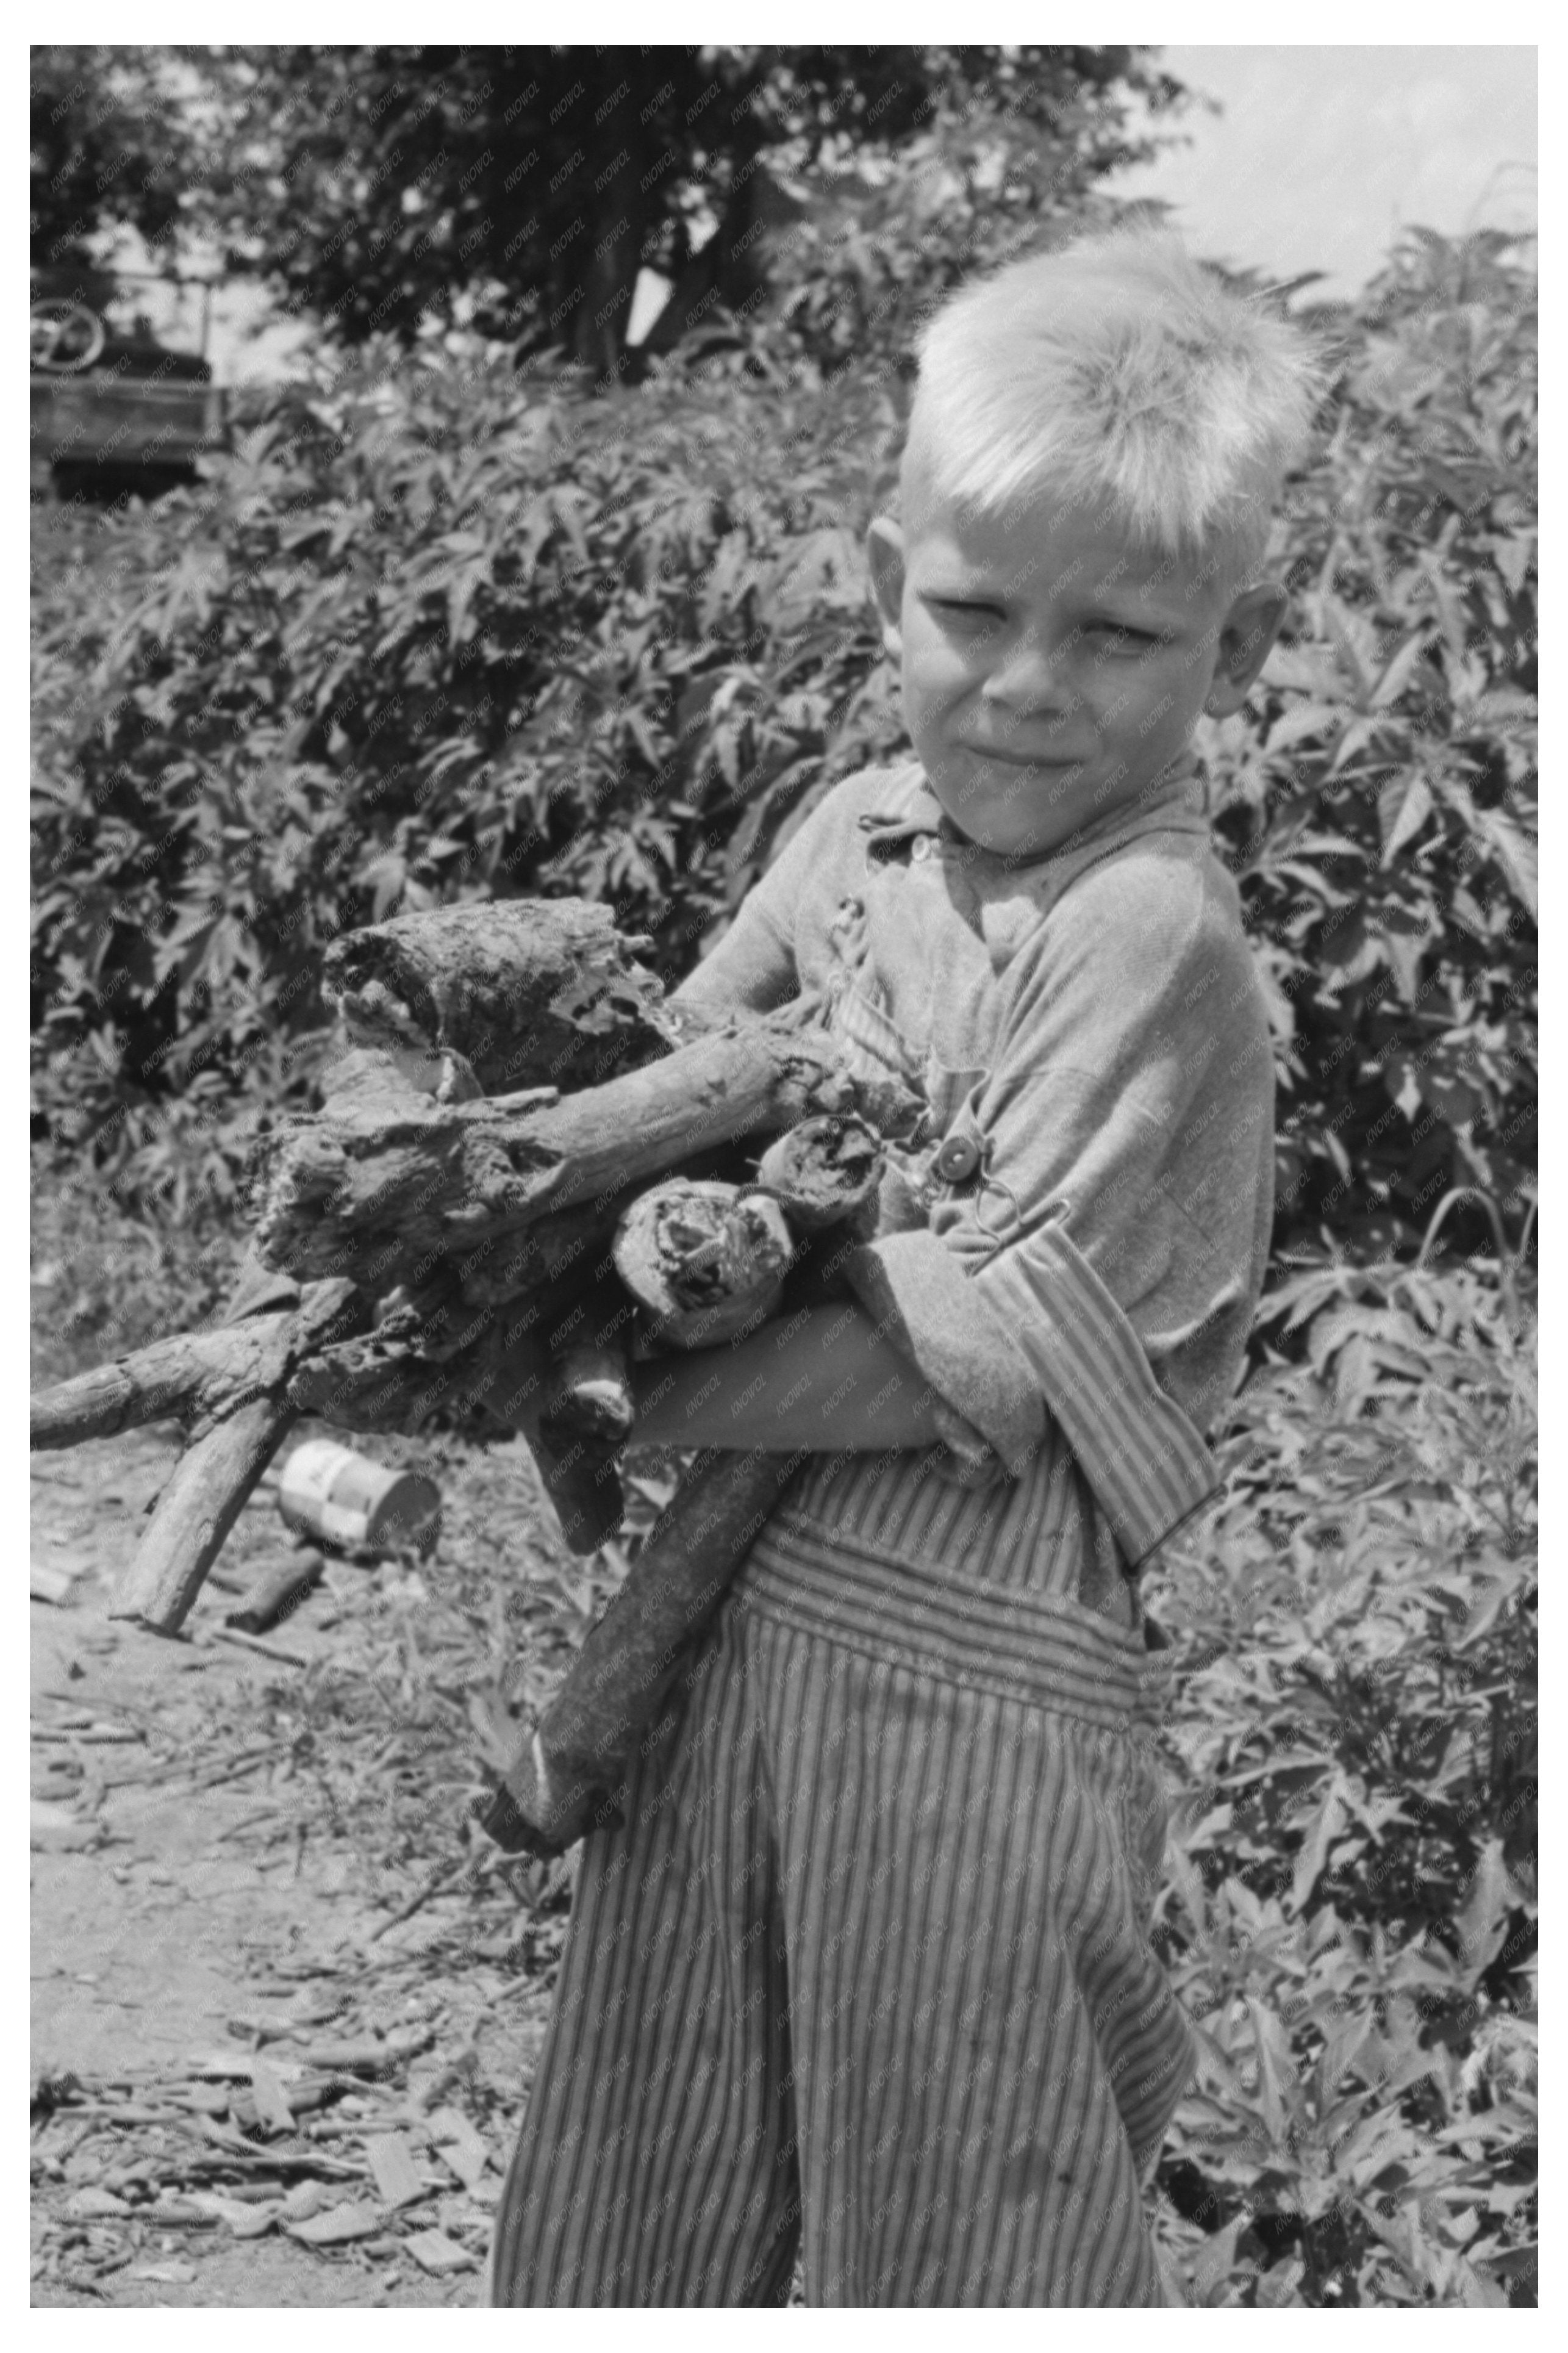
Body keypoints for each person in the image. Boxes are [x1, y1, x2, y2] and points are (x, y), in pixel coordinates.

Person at [489, 226, 1322, 2308]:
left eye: (1117, 633)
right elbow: (671, 1080)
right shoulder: (855, 831)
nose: (1026, 684)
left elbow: (948, 1368)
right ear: (884, 585)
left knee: (962, 2215)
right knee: (648, 2177)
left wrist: (595, 1371)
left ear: (1234, 639)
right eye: (970, 610)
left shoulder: (1144, 934)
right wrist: (540, 1205)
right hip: (728, 1633)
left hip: (966, 1672)